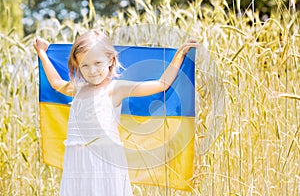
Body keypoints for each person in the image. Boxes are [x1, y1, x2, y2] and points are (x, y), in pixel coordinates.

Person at [33, 29, 197, 196]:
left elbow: (161, 84)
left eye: (97, 63)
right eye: (85, 65)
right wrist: (42, 53)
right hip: (78, 162)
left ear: (110, 60)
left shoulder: (115, 89)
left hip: (104, 161)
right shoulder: (78, 89)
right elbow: (55, 83)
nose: (92, 71)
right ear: (78, 66)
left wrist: (180, 55)